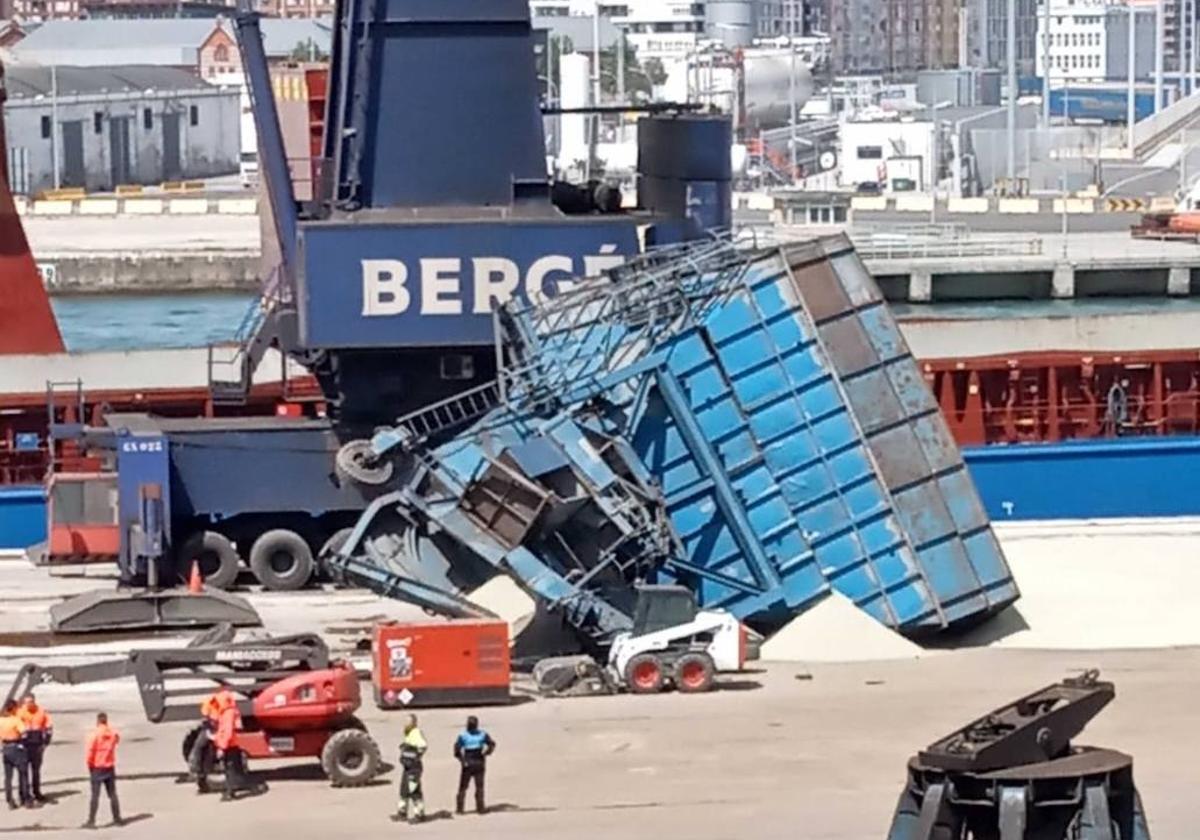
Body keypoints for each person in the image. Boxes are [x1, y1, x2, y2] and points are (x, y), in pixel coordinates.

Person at [213, 690, 258, 802]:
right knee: (235, 770)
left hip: (229, 746)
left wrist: (222, 747)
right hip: (231, 745)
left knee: (230, 771)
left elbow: (227, 732)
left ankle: (230, 792)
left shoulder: (228, 713)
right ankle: (250, 787)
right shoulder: (228, 712)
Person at [83, 712, 121, 829]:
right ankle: (117, 818)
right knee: (112, 794)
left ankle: (91, 820)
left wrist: (89, 765)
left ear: (98, 721)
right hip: (109, 766)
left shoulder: (94, 735)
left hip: (97, 767)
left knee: (95, 795)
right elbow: (117, 740)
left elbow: (90, 752)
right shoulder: (113, 733)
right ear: (106, 721)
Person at [189, 687, 230, 794]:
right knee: (200, 747)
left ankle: (196, 770)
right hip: (214, 728)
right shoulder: (220, 704)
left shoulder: (214, 703)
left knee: (199, 747)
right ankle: (196, 769)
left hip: (214, 728)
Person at [453, 716, 495, 815]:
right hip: (479, 760)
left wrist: (462, 760)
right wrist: (487, 753)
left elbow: (456, 749)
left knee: (463, 786)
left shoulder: (463, 736)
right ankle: (480, 808)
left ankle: (460, 809)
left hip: (468, 761)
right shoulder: (482, 735)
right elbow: (492, 744)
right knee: (479, 786)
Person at [18, 693, 52, 804]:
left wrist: (46, 743)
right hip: (25, 745)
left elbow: (49, 727)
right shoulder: (20, 712)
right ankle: (24, 794)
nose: (29, 704)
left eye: (31, 702)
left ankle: (36, 792)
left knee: (36, 771)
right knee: (23, 771)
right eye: (27, 702)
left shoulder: (41, 712)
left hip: (37, 745)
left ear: (34, 701)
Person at [396, 715, 427, 824]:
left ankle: (419, 814)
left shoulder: (416, 733)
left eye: (408, 722)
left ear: (414, 723)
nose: (405, 723)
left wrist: (415, 756)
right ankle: (401, 813)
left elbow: (423, 746)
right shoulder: (408, 733)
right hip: (407, 767)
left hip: (414, 768)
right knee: (404, 789)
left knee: (414, 790)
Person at [0, 700, 31, 810]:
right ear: (13, 708)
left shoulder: (1, 721)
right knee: (23, 774)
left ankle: (10, 800)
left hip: (6, 749)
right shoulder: (16, 720)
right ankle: (25, 798)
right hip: (17, 748)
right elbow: (24, 734)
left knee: (8, 777)